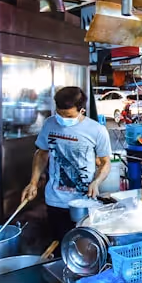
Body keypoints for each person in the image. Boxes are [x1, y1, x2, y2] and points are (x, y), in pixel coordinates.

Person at [22, 87, 112, 241]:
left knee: (82, 246)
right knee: (58, 245)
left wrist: (96, 182)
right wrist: (33, 182)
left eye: (68, 115)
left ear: (82, 110)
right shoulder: (50, 124)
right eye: (60, 113)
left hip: (84, 202)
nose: (63, 119)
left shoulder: (97, 130)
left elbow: (105, 162)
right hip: (55, 200)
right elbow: (42, 153)